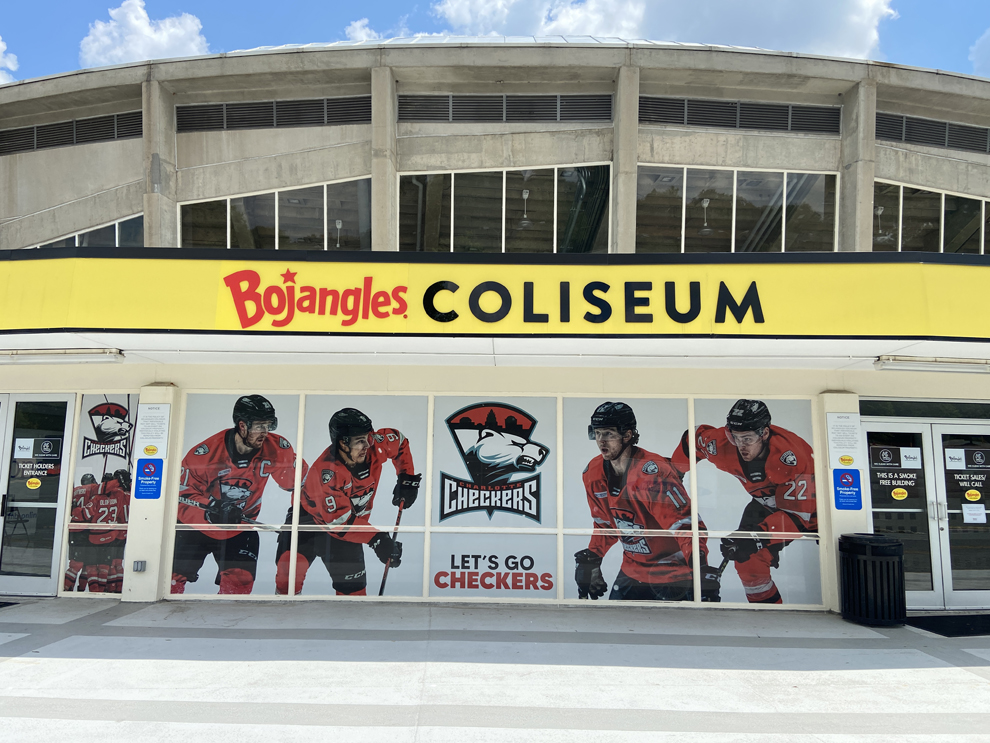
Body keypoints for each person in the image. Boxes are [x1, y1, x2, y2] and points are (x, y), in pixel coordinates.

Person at [671, 399, 816, 604]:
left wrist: (757, 537)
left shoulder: (792, 457)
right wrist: (674, 473)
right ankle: (768, 615)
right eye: (735, 437)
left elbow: (799, 518)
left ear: (764, 433)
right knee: (746, 558)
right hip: (764, 504)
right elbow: (693, 439)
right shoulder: (721, 444)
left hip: (811, 512)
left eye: (747, 438)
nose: (740, 446)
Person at [576, 401, 719, 602]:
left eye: (608, 434)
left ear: (627, 435)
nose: (601, 441)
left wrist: (700, 567)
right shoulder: (593, 472)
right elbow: (606, 525)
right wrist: (593, 557)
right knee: (614, 629)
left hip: (674, 576)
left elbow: (686, 526)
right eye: (597, 433)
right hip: (632, 572)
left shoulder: (653, 473)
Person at [275, 407, 420, 596]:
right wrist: (378, 539)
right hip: (308, 522)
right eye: (360, 441)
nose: (367, 445)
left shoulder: (375, 445)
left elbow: (399, 442)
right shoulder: (325, 473)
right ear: (342, 444)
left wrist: (406, 478)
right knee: (288, 578)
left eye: (368, 437)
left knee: (354, 596)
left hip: (351, 527)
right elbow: (339, 523)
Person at [171, 395, 300, 595]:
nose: (265, 432)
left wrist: (297, 517)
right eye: (259, 426)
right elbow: (181, 496)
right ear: (242, 425)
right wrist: (209, 511)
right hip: (194, 529)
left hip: (240, 528)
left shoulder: (277, 448)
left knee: (239, 586)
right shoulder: (205, 454)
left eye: (268, 425)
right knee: (169, 582)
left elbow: (304, 484)